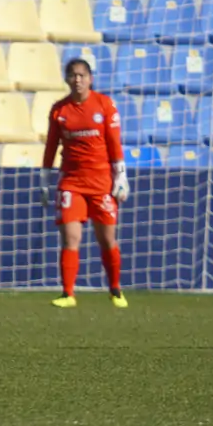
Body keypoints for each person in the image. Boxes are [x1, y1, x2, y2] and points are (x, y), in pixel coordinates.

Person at [41, 58, 130, 309]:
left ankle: (115, 289)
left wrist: (120, 175)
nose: (77, 79)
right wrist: (44, 180)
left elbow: (114, 143)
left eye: (81, 75)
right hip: (71, 183)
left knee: (107, 240)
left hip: (102, 183)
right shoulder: (60, 110)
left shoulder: (104, 104)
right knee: (71, 238)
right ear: (67, 79)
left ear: (90, 78)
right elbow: (51, 146)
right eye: (72, 75)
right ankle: (68, 293)